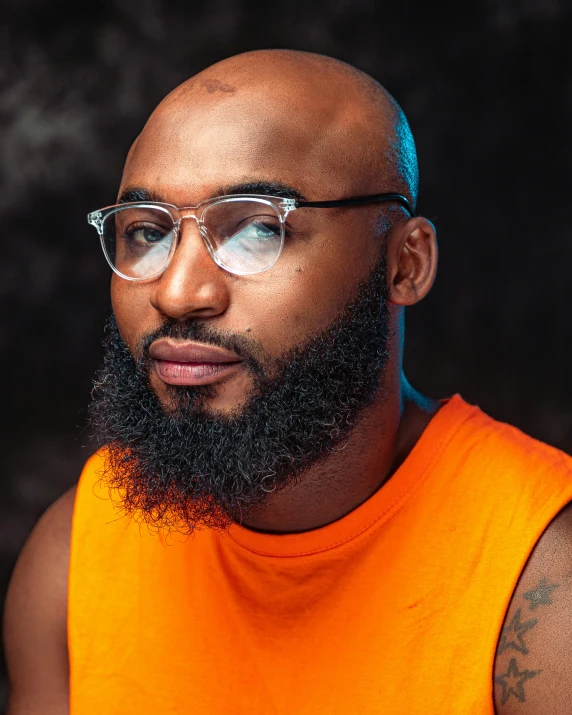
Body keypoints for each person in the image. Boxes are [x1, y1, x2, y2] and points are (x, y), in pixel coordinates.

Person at [3, 49, 572, 715]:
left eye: (254, 228)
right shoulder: (77, 552)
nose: (178, 291)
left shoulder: (542, 583)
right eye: (148, 233)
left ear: (406, 264)